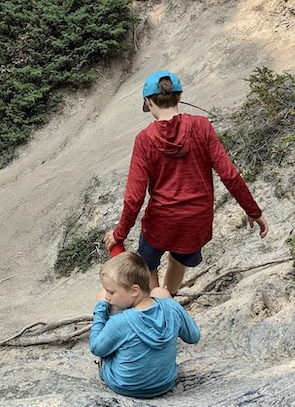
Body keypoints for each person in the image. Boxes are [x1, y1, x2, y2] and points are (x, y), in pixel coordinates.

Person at [104, 69, 268, 294]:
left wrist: (119, 234)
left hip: (161, 222)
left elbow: (134, 197)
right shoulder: (201, 126)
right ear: (179, 97)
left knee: (148, 264)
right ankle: (169, 298)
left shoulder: (145, 139)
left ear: (149, 102)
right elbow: (229, 174)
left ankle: (156, 307)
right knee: (178, 261)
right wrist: (253, 210)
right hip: (196, 219)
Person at [89, 252, 200, 398]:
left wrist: (100, 307)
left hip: (125, 386)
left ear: (135, 290)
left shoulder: (120, 321)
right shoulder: (171, 308)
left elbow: (96, 348)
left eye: (111, 292)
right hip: (165, 383)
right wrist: (169, 301)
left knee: (112, 333)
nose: (108, 297)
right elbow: (193, 337)